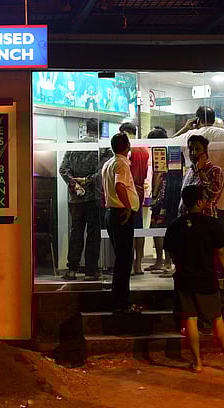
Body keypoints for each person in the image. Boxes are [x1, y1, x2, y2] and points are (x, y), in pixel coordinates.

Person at [164, 184, 224, 374]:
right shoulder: (212, 224)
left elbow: (171, 253)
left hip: (185, 279)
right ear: (200, 202)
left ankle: (197, 362)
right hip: (207, 279)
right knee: (217, 319)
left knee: (190, 319)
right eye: (204, 199)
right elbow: (221, 251)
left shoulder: (175, 225)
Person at [175, 106, 224, 277]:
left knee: (200, 241)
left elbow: (170, 142)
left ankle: (205, 274)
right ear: (214, 119)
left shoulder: (190, 137)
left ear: (197, 120)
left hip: (198, 202)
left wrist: (186, 127)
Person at [59, 118, 106, 281]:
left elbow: (63, 169)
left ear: (86, 129)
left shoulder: (73, 146)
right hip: (94, 198)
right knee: (93, 234)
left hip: (75, 199)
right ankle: (91, 271)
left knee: (76, 233)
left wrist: (75, 184)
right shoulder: (103, 148)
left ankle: (72, 270)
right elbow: (103, 173)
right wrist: (88, 180)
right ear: (100, 129)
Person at [101, 132, 141, 314]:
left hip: (111, 213)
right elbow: (119, 186)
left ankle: (118, 301)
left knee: (121, 259)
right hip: (120, 214)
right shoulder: (122, 163)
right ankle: (121, 303)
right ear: (127, 146)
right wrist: (127, 207)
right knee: (124, 261)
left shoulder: (109, 163)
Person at [145, 126, 177, 274]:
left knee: (158, 228)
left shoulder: (159, 152)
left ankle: (163, 262)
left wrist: (154, 195)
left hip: (162, 195)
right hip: (172, 193)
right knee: (167, 228)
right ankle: (166, 262)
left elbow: (158, 174)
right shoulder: (172, 150)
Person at [119, 121, 149, 276]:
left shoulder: (128, 150)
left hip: (129, 190)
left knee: (128, 230)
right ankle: (138, 265)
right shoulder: (145, 149)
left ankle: (130, 265)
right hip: (140, 190)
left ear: (124, 132)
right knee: (139, 229)